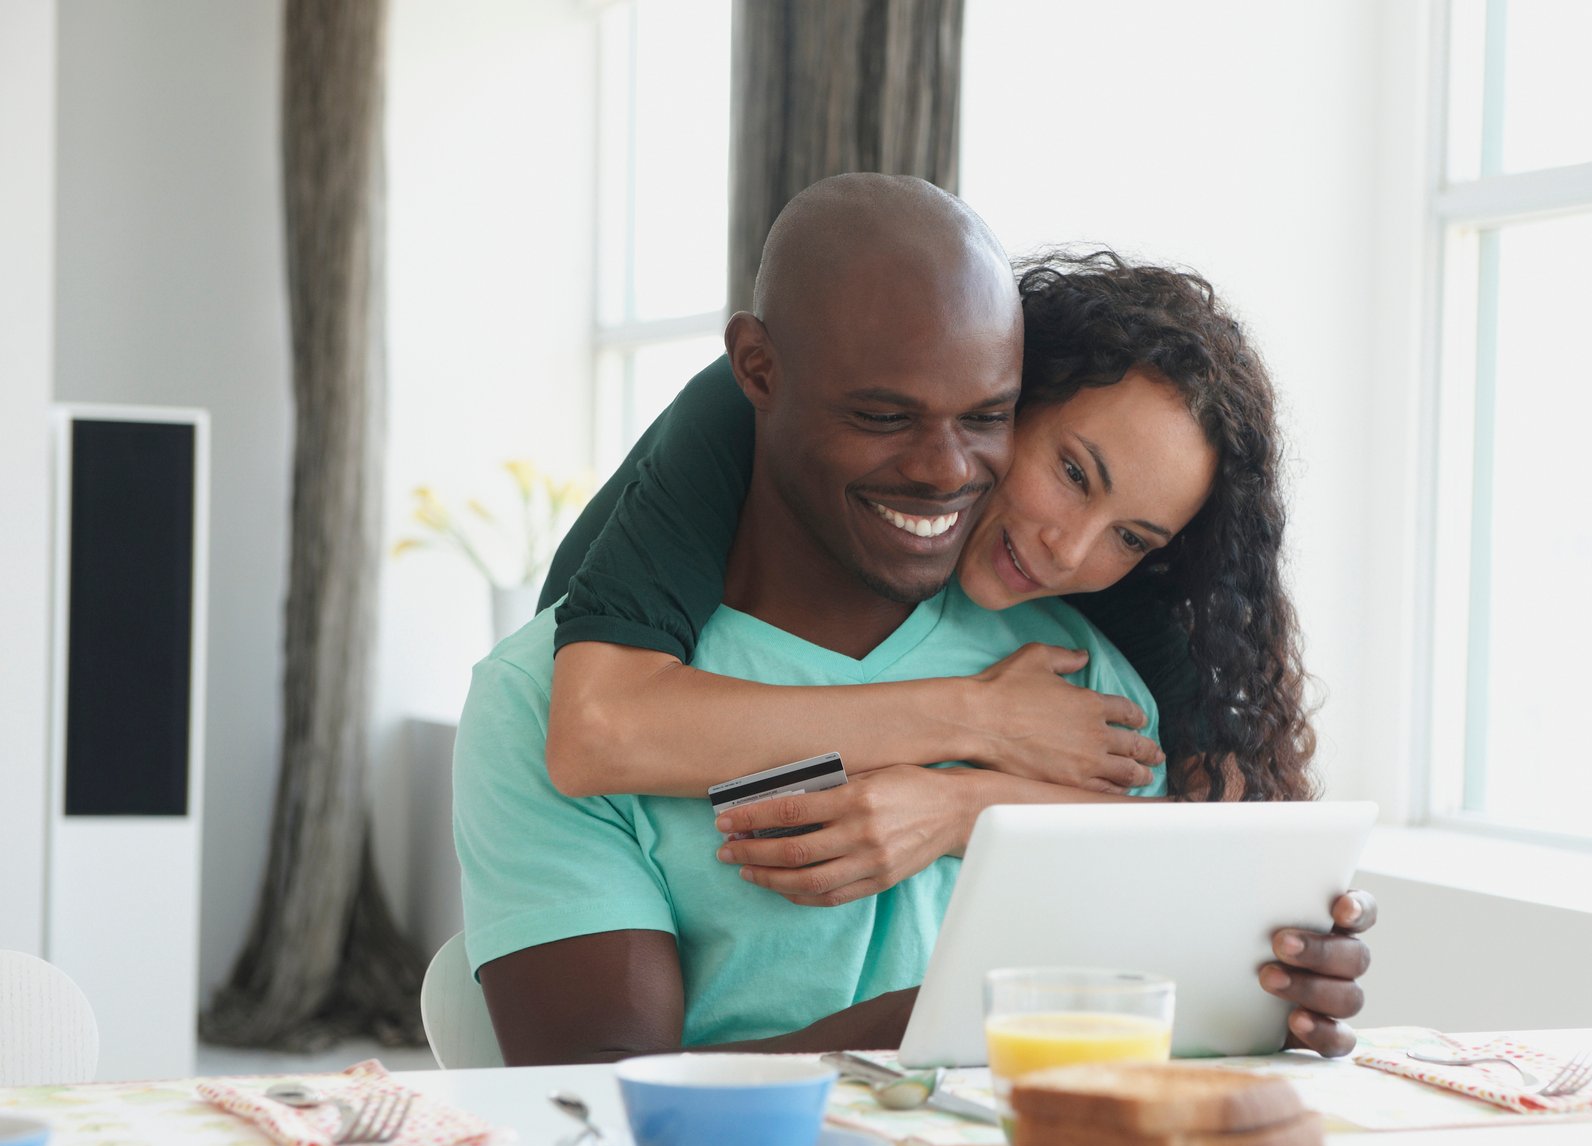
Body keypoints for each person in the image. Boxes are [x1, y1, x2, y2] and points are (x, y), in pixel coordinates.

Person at [456, 175, 1372, 1063]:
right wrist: (957, 1023)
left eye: (1130, 536)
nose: (1065, 550)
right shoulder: (556, 684)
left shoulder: (1084, 678)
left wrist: (1280, 977)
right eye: (1070, 473)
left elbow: (1188, 917)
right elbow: (603, 1093)